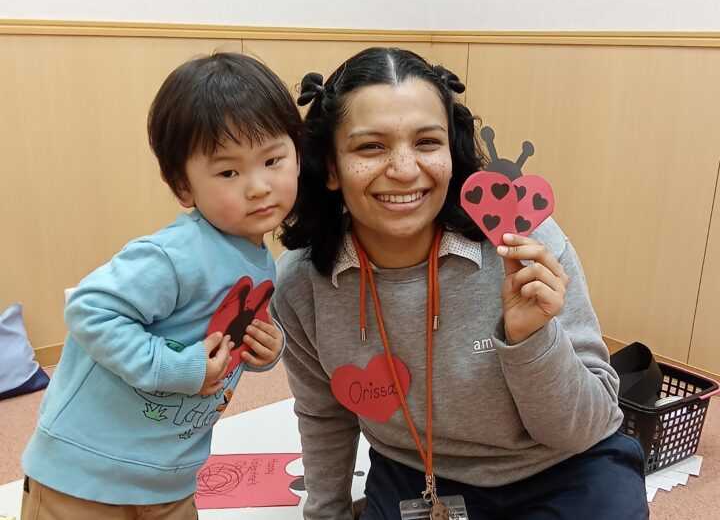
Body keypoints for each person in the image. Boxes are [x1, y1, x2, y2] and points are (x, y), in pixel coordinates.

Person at [272, 47, 648, 520]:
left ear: (452, 151)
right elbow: (324, 414)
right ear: (330, 166)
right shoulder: (301, 283)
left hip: (564, 466)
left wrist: (531, 338)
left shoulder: (522, 239)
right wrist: (327, 515)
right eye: (371, 147)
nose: (405, 169)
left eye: (427, 142)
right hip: (417, 474)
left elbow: (584, 429)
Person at [21, 52, 300, 520]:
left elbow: (221, 343)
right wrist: (179, 368)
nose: (258, 186)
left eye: (272, 160)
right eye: (228, 172)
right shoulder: (176, 254)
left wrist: (264, 349)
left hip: (169, 475)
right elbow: (90, 311)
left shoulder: (260, 262)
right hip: (84, 473)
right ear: (183, 186)